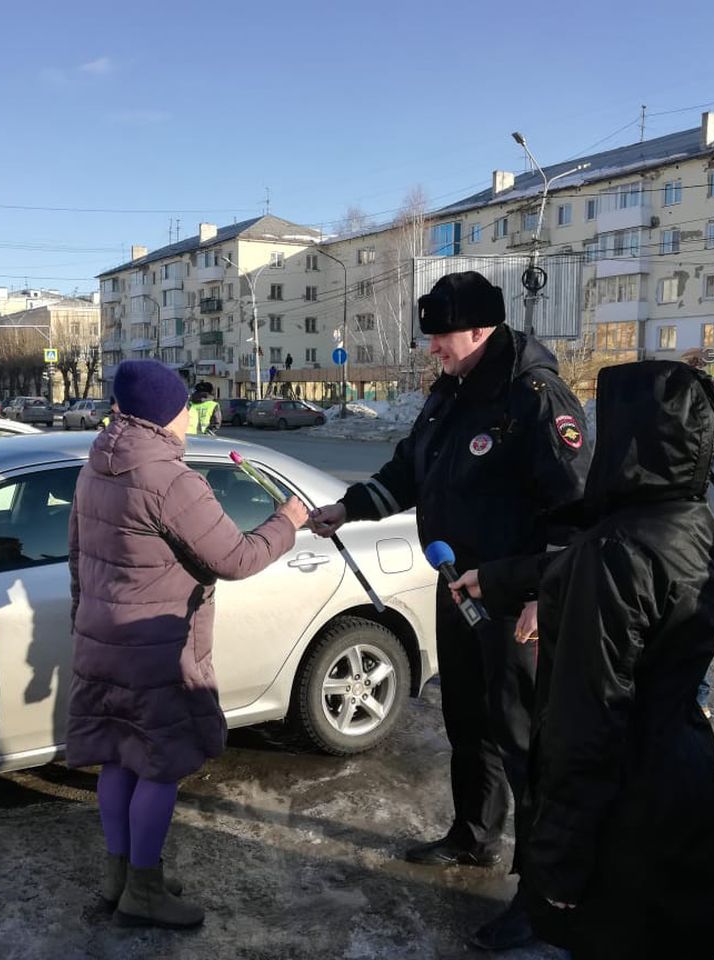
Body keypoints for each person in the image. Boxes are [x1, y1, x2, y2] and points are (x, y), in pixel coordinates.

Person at [308, 271, 591, 950]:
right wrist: (350, 507)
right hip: (457, 588)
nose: (432, 346)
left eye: (440, 334)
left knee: (525, 740)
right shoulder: (453, 394)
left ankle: (541, 894)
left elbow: (575, 512)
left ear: (479, 328)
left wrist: (540, 599)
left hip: (514, 598)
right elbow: (410, 468)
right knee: (469, 718)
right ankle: (473, 834)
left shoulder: (534, 397)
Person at [449, 360, 714, 960]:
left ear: (639, 438)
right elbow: (601, 567)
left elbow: (588, 725)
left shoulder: (618, 551)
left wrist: (559, 863)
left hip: (627, 812)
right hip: (685, 782)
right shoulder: (687, 521)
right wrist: (498, 581)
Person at [66, 359, 309, 930]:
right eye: (184, 405)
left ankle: (121, 877)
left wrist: (83, 619)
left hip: (101, 637)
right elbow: (236, 557)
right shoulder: (169, 479)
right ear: (168, 412)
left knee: (118, 757)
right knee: (159, 766)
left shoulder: (96, 465)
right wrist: (287, 520)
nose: (189, 414)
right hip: (155, 644)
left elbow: (77, 556)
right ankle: (144, 892)